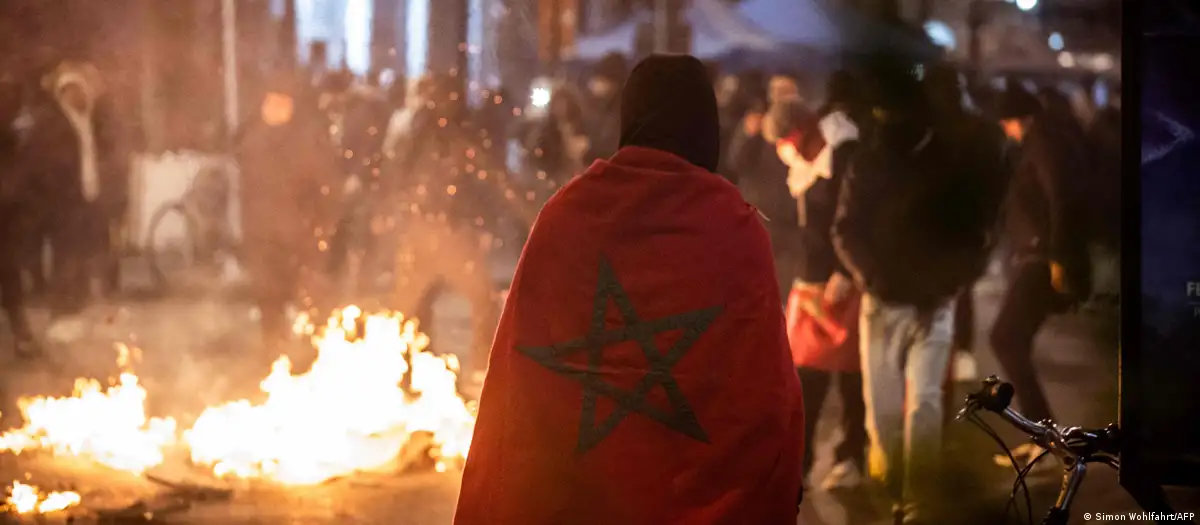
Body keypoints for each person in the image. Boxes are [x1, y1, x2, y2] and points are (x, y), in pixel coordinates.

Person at [456, 55, 805, 525]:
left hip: (576, 501)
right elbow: (764, 393)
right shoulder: (734, 227)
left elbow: (522, 376)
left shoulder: (569, 213)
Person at [833, 58, 1001, 524]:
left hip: (929, 304)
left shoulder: (942, 163)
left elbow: (974, 235)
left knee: (921, 406)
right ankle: (895, 493)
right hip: (886, 302)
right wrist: (872, 277)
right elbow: (846, 229)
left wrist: (947, 283)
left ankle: (917, 502)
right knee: (885, 412)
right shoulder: (871, 162)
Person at [771, 71, 869, 492]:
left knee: (850, 376)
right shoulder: (800, 157)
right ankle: (800, 463)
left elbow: (855, 215)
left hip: (842, 280)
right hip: (809, 282)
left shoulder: (844, 151)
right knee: (804, 377)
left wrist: (846, 270)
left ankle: (851, 455)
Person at [988, 87, 1091, 464]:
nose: (1005, 129)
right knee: (1010, 339)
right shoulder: (1041, 142)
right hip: (1037, 255)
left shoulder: (1045, 144)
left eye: (1006, 122)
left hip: (1043, 258)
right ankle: (1044, 438)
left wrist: (1058, 258)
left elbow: (1059, 198)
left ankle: (1045, 440)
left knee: (1005, 337)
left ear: (1020, 119)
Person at [236, 74, 340, 353]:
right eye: (269, 103)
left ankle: (312, 356)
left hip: (301, 238)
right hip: (263, 236)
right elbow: (247, 190)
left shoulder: (308, 141)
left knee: (309, 301)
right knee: (269, 300)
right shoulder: (253, 139)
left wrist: (320, 231)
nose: (273, 109)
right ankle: (273, 356)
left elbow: (327, 188)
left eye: (280, 103)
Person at [0, 77, 38, 358]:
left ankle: (23, 336)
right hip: (7, 207)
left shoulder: (13, 131)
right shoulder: (11, 130)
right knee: (10, 274)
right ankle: (22, 336)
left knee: (10, 274)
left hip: (7, 210)